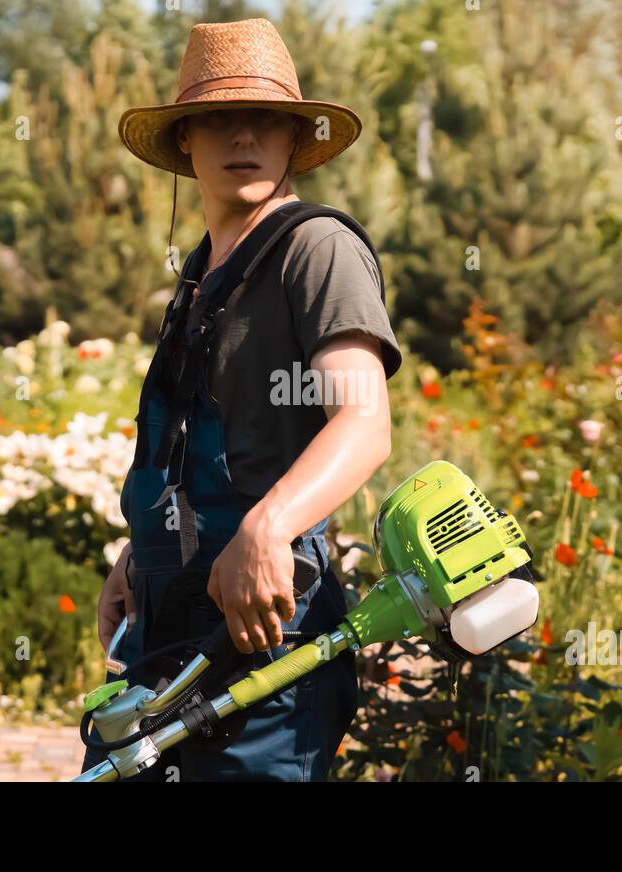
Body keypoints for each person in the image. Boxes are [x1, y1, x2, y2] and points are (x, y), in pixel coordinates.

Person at [82, 17, 402, 782]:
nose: (244, 138)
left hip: (264, 642)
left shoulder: (316, 248)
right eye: (220, 120)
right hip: (172, 631)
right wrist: (145, 547)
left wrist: (268, 527)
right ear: (184, 141)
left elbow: (364, 422)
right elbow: (195, 444)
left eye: (265, 120)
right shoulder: (201, 272)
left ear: (295, 140)